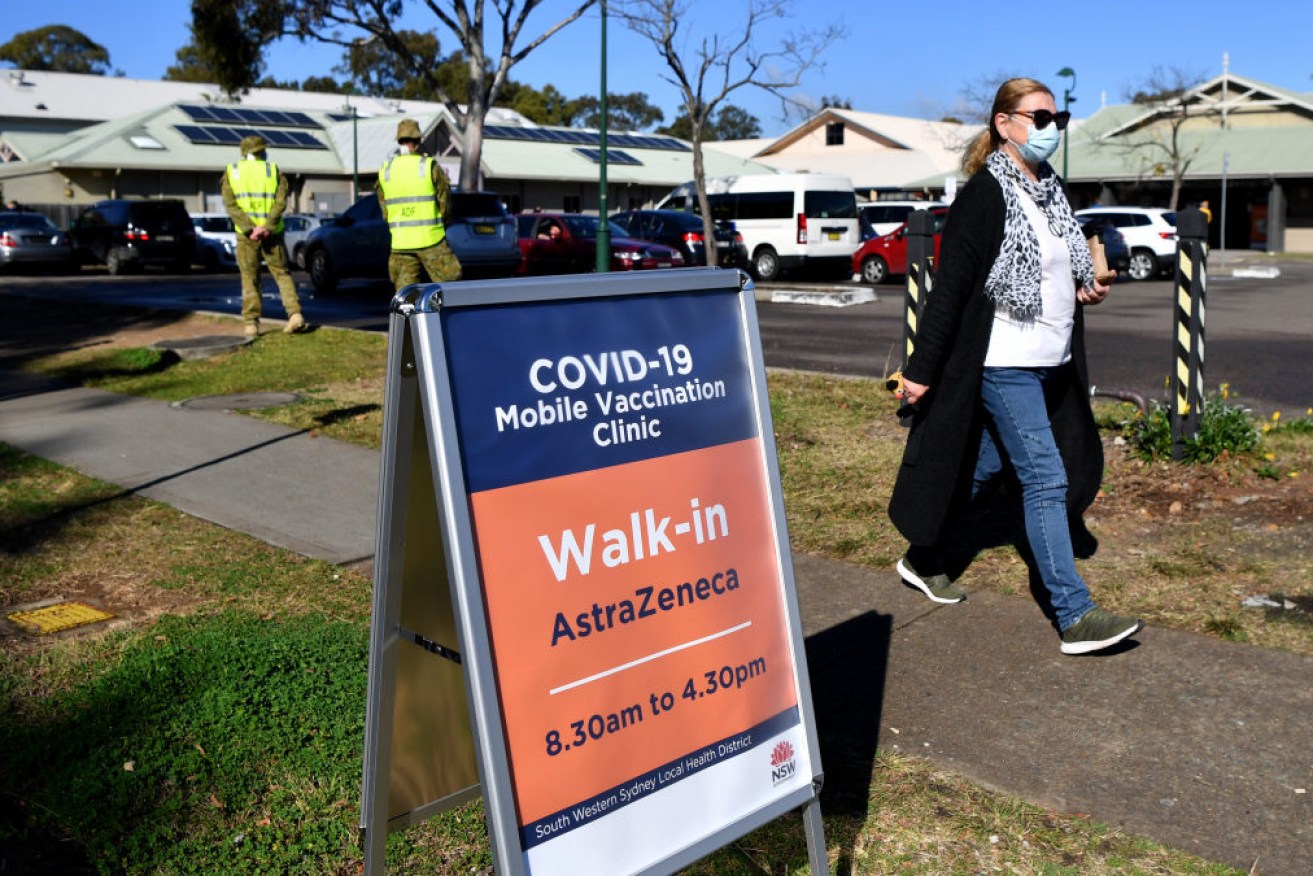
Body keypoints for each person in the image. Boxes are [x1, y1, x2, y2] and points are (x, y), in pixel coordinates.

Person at [887, 77, 1145, 656]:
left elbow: (1057, 271)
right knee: (1045, 478)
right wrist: (920, 370)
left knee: (979, 469)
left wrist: (1086, 291)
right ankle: (1074, 614)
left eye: (1058, 118)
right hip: (1005, 363)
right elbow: (950, 291)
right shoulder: (984, 196)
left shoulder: (1051, 189)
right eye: (1039, 118)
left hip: (1051, 361)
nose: (1051, 129)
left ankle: (923, 558)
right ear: (1004, 124)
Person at [222, 135, 306, 339]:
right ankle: (295, 314)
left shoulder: (232, 172)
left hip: (246, 235)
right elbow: (281, 201)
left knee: (249, 277)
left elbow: (231, 205)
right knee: (282, 274)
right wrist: (267, 226)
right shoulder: (273, 170)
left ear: (244, 152)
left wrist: (251, 229)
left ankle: (251, 324)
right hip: (272, 233)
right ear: (262, 151)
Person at [376, 119, 462, 291]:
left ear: (399, 141)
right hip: (431, 240)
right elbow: (445, 204)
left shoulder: (386, 170)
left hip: (401, 244)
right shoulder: (429, 166)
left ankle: (409, 319)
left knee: (405, 296)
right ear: (418, 142)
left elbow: (385, 212)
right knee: (450, 290)